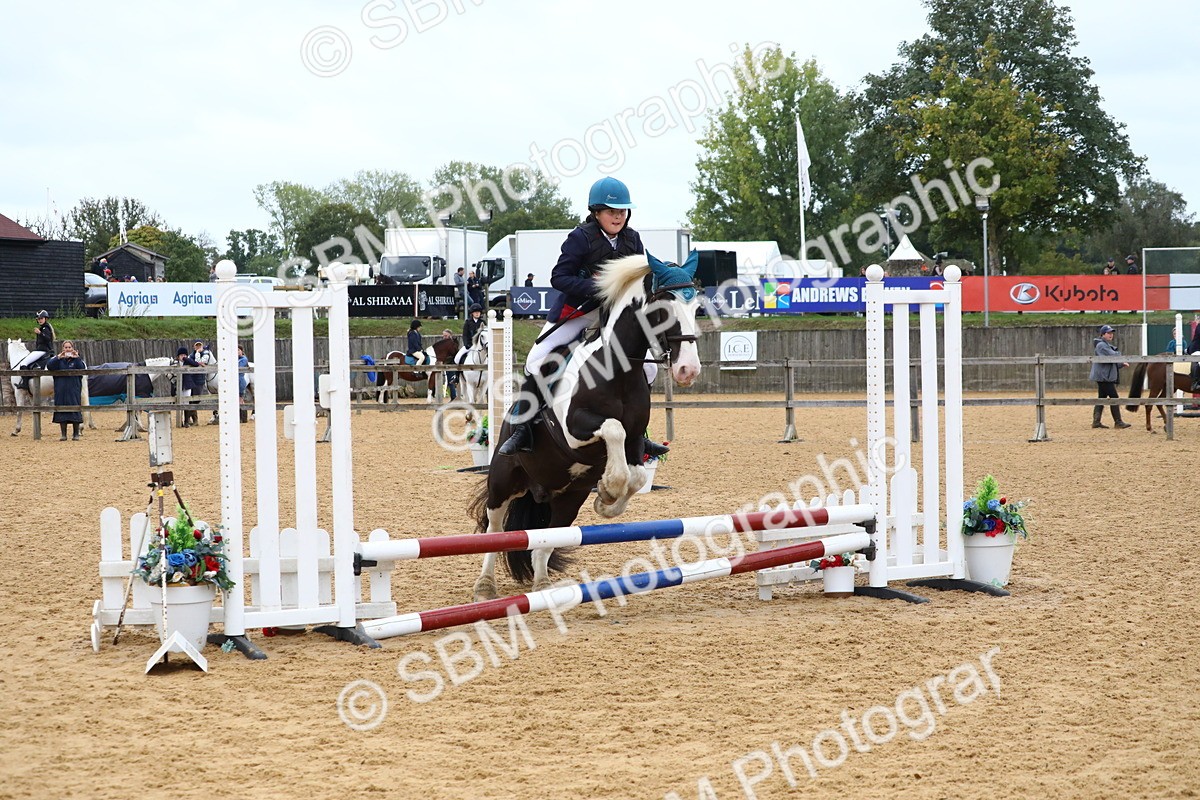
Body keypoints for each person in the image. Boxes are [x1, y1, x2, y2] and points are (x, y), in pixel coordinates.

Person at [496, 176, 668, 459]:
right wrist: (597, 288)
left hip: (614, 314)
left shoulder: (632, 239)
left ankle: (638, 435)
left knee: (648, 369)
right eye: (612, 211)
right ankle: (522, 427)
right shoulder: (580, 238)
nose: (618, 216)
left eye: (622, 211)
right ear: (596, 212)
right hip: (578, 310)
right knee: (537, 359)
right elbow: (558, 277)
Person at [1089, 324, 1131, 429]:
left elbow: (1111, 359)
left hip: (1104, 376)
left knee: (1101, 398)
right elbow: (1113, 356)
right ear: (1103, 334)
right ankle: (1118, 421)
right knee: (1114, 397)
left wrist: (1121, 364)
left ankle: (1096, 421)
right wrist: (1120, 358)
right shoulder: (1102, 346)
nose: (1111, 335)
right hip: (1104, 377)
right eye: (1108, 333)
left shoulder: (1104, 345)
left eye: (1111, 333)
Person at [46, 340, 86, 440]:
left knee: (75, 409)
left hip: (74, 389)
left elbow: (82, 369)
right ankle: (63, 434)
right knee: (61, 410)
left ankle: (75, 434)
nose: (67, 349)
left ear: (73, 349)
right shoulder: (58, 360)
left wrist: (77, 358)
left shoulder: (76, 360)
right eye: (66, 347)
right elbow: (49, 366)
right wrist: (58, 357)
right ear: (62, 349)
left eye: (69, 347)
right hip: (61, 389)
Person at [16, 310, 55, 390]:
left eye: (41, 318)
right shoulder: (44, 327)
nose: (39, 320)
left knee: (23, 363)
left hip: (42, 350)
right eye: (38, 319)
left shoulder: (45, 328)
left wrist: (40, 333)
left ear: (46, 319)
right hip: (41, 350)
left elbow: (48, 339)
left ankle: (25, 384)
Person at [175, 346, 205, 427]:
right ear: (178, 356)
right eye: (181, 355)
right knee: (179, 402)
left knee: (186, 402)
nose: (183, 356)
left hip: (187, 384)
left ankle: (186, 421)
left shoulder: (188, 361)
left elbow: (195, 364)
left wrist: (186, 359)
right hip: (179, 385)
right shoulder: (176, 363)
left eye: (185, 355)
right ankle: (180, 420)